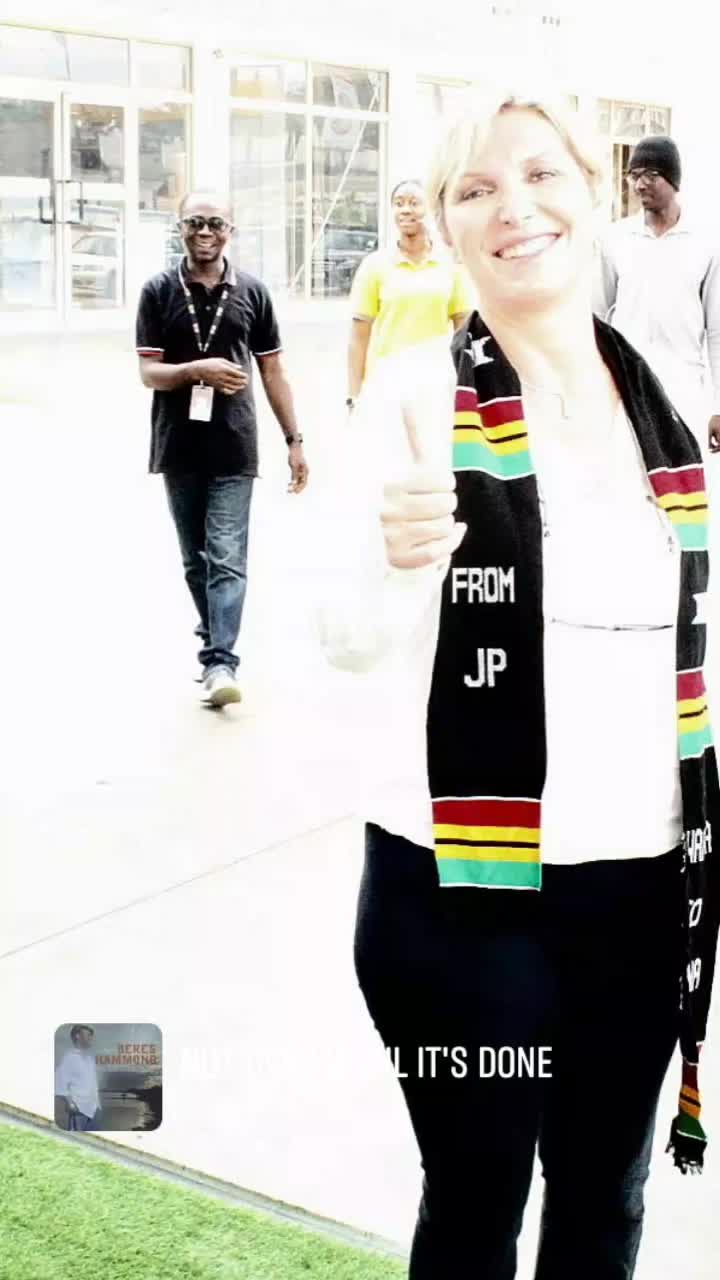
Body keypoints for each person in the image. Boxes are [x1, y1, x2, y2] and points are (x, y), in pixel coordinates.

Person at [320, 89, 720, 1279]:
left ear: (591, 193)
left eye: (541, 174)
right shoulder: (410, 393)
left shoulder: (666, 396)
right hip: (460, 897)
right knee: (476, 1193)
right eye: (476, 188)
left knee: (604, 1195)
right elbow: (341, 637)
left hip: (641, 887)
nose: (514, 207)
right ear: (446, 223)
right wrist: (396, 563)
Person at [136, 191, 309, 707]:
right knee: (197, 561)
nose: (205, 232)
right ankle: (215, 641)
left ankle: (220, 663)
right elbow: (149, 372)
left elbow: (273, 370)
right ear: (180, 228)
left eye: (215, 223)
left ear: (231, 230)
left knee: (227, 557)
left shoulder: (252, 293)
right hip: (178, 445)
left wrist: (295, 440)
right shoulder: (158, 291)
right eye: (195, 223)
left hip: (235, 445)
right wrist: (196, 371)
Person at [594, 135, 720, 453]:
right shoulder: (615, 239)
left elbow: (717, 331)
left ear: (673, 180)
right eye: (634, 175)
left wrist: (718, 407)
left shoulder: (705, 243)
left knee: (686, 475)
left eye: (651, 175)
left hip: (684, 388)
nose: (640, 185)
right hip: (626, 384)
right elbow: (595, 319)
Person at [346, 179, 473, 413]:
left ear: (431, 208)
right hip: (386, 387)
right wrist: (354, 396)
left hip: (435, 386)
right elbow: (358, 338)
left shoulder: (450, 265)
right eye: (399, 203)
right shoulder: (375, 265)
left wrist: (466, 390)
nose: (405, 210)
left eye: (414, 203)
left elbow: (463, 333)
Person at [55, 1025, 100, 1132]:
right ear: (77, 1036)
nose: (91, 1038)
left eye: (91, 1035)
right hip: (79, 1111)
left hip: (94, 1110)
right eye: (88, 1035)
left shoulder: (89, 1059)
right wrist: (70, 1103)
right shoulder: (69, 1058)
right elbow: (60, 1084)